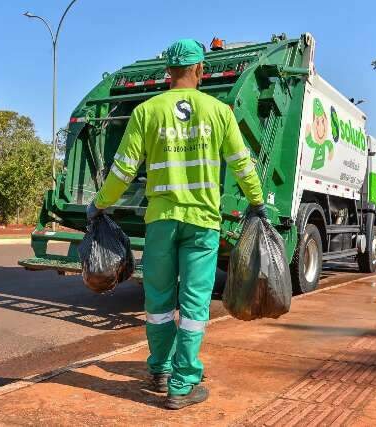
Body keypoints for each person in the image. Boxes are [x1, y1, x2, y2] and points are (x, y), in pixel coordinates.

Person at [86, 39, 265, 409]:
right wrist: (258, 202)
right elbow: (242, 164)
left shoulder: (147, 111)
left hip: (161, 222)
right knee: (195, 304)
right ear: (200, 70)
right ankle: (182, 385)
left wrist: (99, 204)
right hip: (202, 224)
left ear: (167, 73)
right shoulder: (219, 111)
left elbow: (122, 171)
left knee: (158, 301)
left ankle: (161, 369)